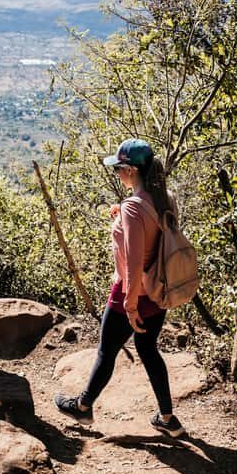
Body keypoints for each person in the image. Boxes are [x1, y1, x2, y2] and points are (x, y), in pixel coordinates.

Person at [53, 138, 186, 437]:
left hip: (132, 291)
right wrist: (122, 215)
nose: (117, 174)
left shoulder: (134, 208)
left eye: (118, 169)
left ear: (130, 170)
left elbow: (135, 259)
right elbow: (155, 234)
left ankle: (83, 408)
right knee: (149, 349)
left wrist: (129, 303)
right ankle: (167, 418)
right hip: (157, 290)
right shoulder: (165, 197)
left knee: (106, 351)